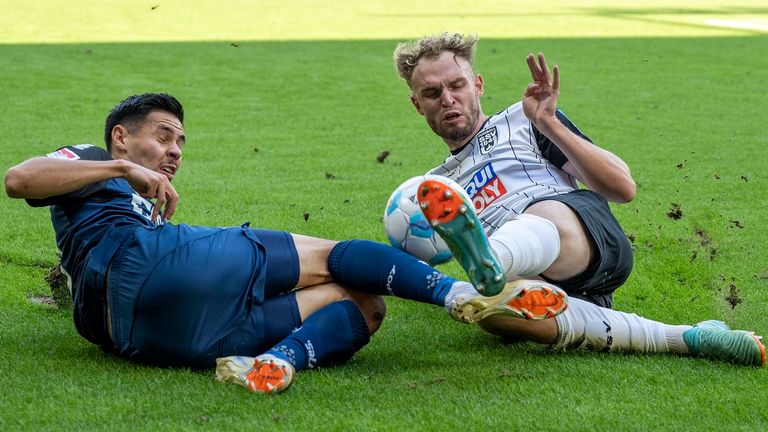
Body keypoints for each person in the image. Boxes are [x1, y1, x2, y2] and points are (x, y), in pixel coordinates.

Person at [3, 93, 570, 395]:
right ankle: (459, 295)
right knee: (329, 252)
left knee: (363, 307)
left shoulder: (141, 197)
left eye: (181, 141)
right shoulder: (98, 159)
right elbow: (19, 180)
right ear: (122, 135)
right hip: (142, 266)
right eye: (163, 136)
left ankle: (273, 363)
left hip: (144, 336)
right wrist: (122, 167)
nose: (174, 151)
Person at [393, 32, 765, 367]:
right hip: (542, 286)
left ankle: (493, 261)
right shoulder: (432, 186)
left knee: (538, 214)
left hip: (580, 233)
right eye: (432, 93)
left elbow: (623, 187)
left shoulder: (522, 120)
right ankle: (689, 338)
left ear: (477, 85)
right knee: (490, 313)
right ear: (416, 104)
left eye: (456, 85)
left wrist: (549, 123)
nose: (447, 99)